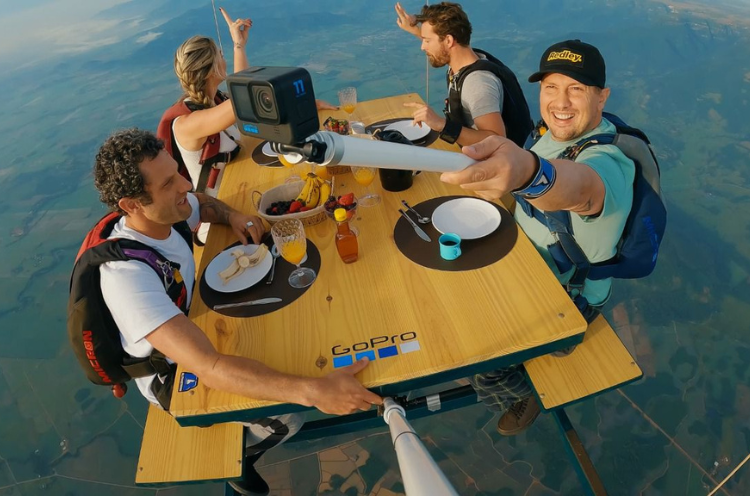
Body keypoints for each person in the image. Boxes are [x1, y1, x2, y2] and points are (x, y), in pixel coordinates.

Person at [93, 128, 382, 495]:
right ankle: (240, 467)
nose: (184, 183)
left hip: (197, 330)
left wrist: (232, 216)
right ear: (131, 205)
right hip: (173, 375)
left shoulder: (166, 212)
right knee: (287, 419)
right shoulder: (126, 277)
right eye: (168, 183)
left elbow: (203, 202)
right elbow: (207, 367)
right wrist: (315, 391)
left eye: (177, 172)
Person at [441, 40, 635, 435]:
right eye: (550, 87)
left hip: (566, 301)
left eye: (576, 89)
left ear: (602, 97)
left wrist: (526, 173)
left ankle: (521, 394)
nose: (560, 101)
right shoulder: (553, 135)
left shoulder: (607, 163)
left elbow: (580, 188)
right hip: (529, 266)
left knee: (482, 363)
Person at [157, 8, 336, 242]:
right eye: (220, 55)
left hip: (241, 194)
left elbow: (241, 94)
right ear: (211, 69)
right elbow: (245, 95)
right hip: (219, 219)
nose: (224, 59)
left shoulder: (217, 100)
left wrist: (238, 45)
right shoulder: (188, 124)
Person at [394, 2, 532, 147]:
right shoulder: (469, 57)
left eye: (427, 41)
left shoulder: (477, 84)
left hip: (502, 163)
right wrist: (415, 29)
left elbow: (498, 140)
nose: (423, 47)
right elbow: (440, 45)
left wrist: (441, 124)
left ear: (449, 40)